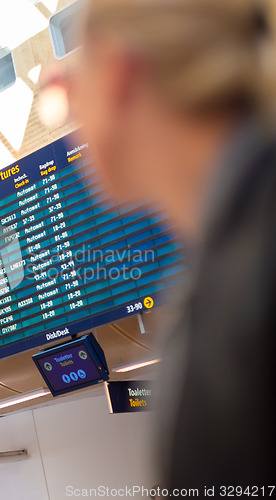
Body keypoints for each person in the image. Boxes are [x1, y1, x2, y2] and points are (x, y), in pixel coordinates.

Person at [66, 0, 276, 493]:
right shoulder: (220, 266)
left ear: (119, 71)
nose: (75, 124)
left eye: (74, 92)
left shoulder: (244, 277)